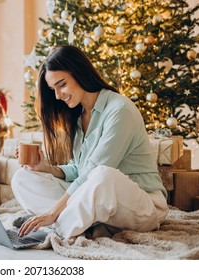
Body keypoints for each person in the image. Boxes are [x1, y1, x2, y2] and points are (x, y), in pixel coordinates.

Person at [12, 45, 169, 240]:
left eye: (62, 85)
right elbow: (78, 170)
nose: (58, 96)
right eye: (53, 89)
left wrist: (53, 212)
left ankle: (57, 228)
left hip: (144, 206)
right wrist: (46, 168)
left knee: (103, 175)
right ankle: (73, 223)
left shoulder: (120, 110)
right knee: (22, 178)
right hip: (102, 203)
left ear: (79, 73)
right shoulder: (79, 117)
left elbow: (94, 171)